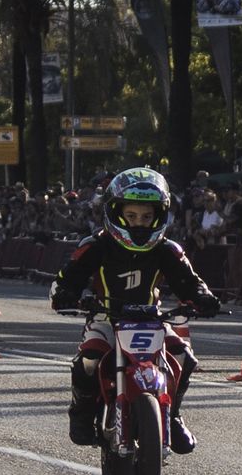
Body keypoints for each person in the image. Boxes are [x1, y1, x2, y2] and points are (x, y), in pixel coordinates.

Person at [50, 168, 222, 449]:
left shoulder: (168, 250)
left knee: (183, 357)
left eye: (146, 216)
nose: (138, 223)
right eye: (131, 216)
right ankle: (81, 414)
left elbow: (190, 282)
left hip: (152, 320)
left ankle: (173, 415)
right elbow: (65, 280)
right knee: (89, 360)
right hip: (105, 319)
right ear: (115, 213)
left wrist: (203, 298)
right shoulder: (95, 246)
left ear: (159, 216)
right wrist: (66, 295)